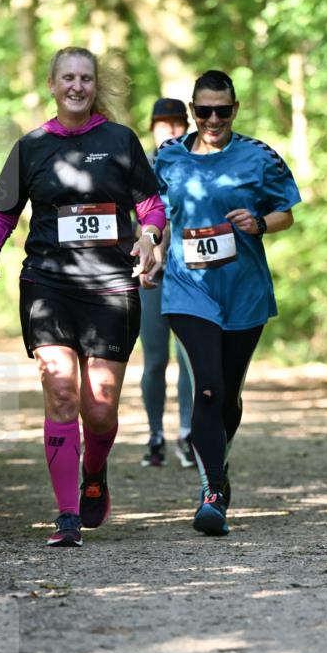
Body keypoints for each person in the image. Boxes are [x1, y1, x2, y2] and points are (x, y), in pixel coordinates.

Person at [0, 47, 165, 546]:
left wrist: (149, 237)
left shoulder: (120, 140)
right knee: (61, 390)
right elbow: (2, 210)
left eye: (85, 78)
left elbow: (151, 206)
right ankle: (66, 515)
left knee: (99, 407)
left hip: (110, 287)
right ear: (52, 83)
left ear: (94, 84)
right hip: (48, 283)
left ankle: (95, 473)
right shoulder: (32, 146)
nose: (76, 86)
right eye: (68, 78)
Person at [154, 69, 301, 536]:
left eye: (222, 110)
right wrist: (151, 247)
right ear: (192, 111)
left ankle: (218, 459)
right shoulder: (168, 158)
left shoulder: (259, 157)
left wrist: (258, 223)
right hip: (187, 287)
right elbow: (152, 213)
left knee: (229, 394)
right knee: (209, 387)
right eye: (204, 111)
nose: (213, 118)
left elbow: (287, 214)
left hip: (243, 289)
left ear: (234, 109)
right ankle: (213, 492)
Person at [138, 98, 194, 469]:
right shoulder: (137, 166)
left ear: (186, 127)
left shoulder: (197, 165)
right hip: (150, 278)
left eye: (177, 124)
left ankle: (188, 433)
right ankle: (155, 434)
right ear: (153, 128)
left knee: (189, 359)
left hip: (191, 277)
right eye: (163, 124)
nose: (170, 130)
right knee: (155, 359)